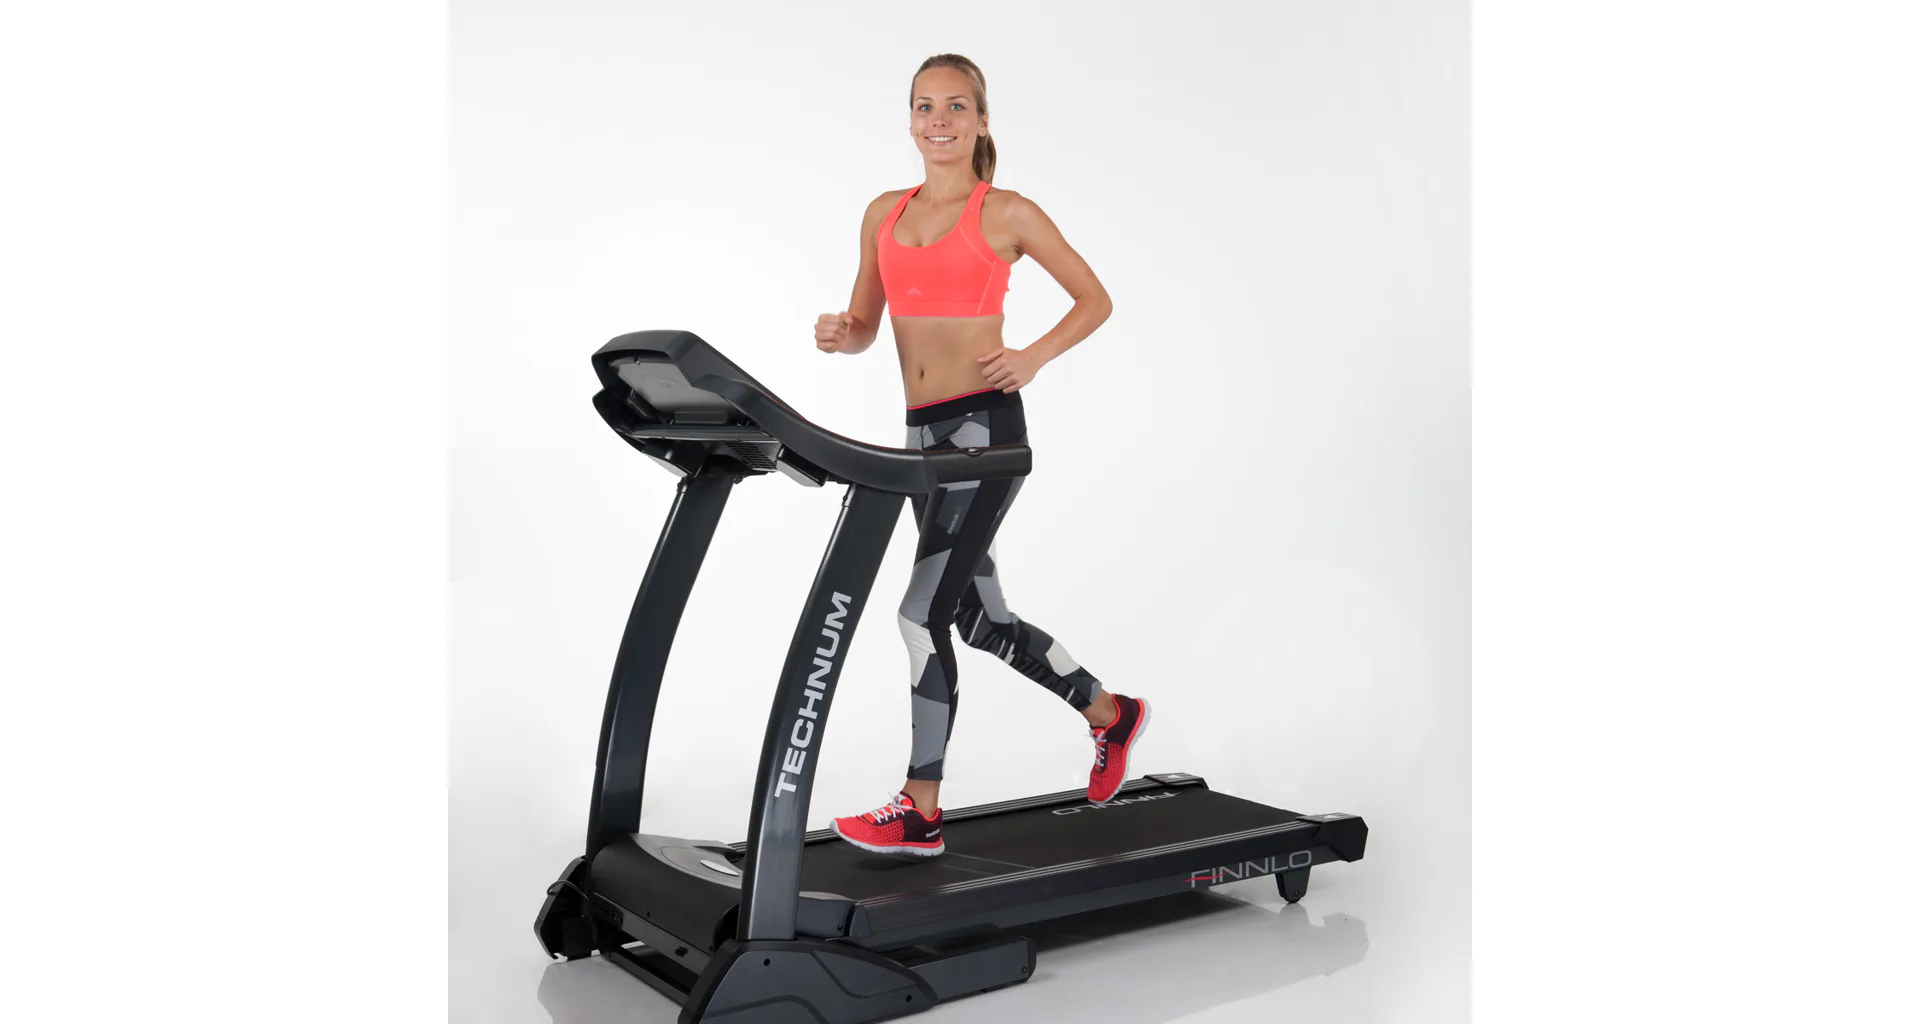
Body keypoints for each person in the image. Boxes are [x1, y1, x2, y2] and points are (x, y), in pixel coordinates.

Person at [816, 54, 1149, 858]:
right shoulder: (882, 214)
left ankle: (921, 808)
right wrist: (841, 334)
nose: (939, 120)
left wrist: (1032, 356)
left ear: (982, 120)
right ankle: (1111, 714)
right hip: (919, 440)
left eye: (956, 107)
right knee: (980, 620)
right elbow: (866, 326)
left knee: (919, 614)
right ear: (909, 119)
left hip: (982, 435)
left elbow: (1095, 299)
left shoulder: (1006, 213)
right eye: (925, 106)